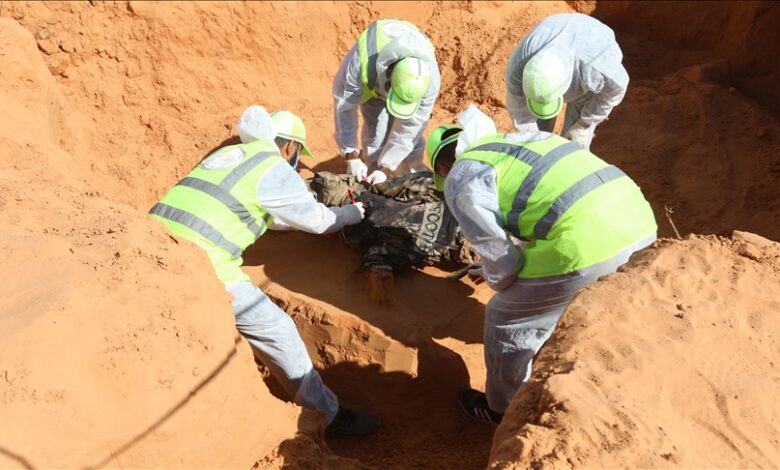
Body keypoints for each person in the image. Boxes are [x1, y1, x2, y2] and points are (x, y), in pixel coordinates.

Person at [149, 105, 380, 437]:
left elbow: (262, 212)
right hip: (201, 263)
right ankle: (328, 417)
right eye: (297, 152)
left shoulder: (232, 157)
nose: (295, 159)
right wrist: (353, 213)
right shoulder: (273, 166)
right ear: (289, 146)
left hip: (153, 244)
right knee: (280, 330)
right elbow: (318, 222)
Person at [426, 105, 656, 425]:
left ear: (443, 166)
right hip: (639, 222)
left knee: (504, 317)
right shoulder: (528, 139)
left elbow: (503, 262)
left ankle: (501, 409)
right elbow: (544, 204)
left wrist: (499, 276)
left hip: (587, 243)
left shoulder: (462, 176)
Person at [333, 18, 440, 184]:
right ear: (388, 79)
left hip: (399, 85)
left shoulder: (429, 81)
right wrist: (351, 155)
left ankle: (411, 178)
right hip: (373, 86)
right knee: (376, 136)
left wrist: (388, 167)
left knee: (412, 146)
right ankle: (374, 180)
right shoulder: (361, 64)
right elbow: (344, 107)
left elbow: (411, 127)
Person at [505, 13, 629, 150]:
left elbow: (616, 90)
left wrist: (584, 124)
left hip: (592, 40)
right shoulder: (517, 66)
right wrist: (533, 144)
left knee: (574, 144)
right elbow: (521, 116)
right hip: (554, 26)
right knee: (536, 138)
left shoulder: (597, 69)